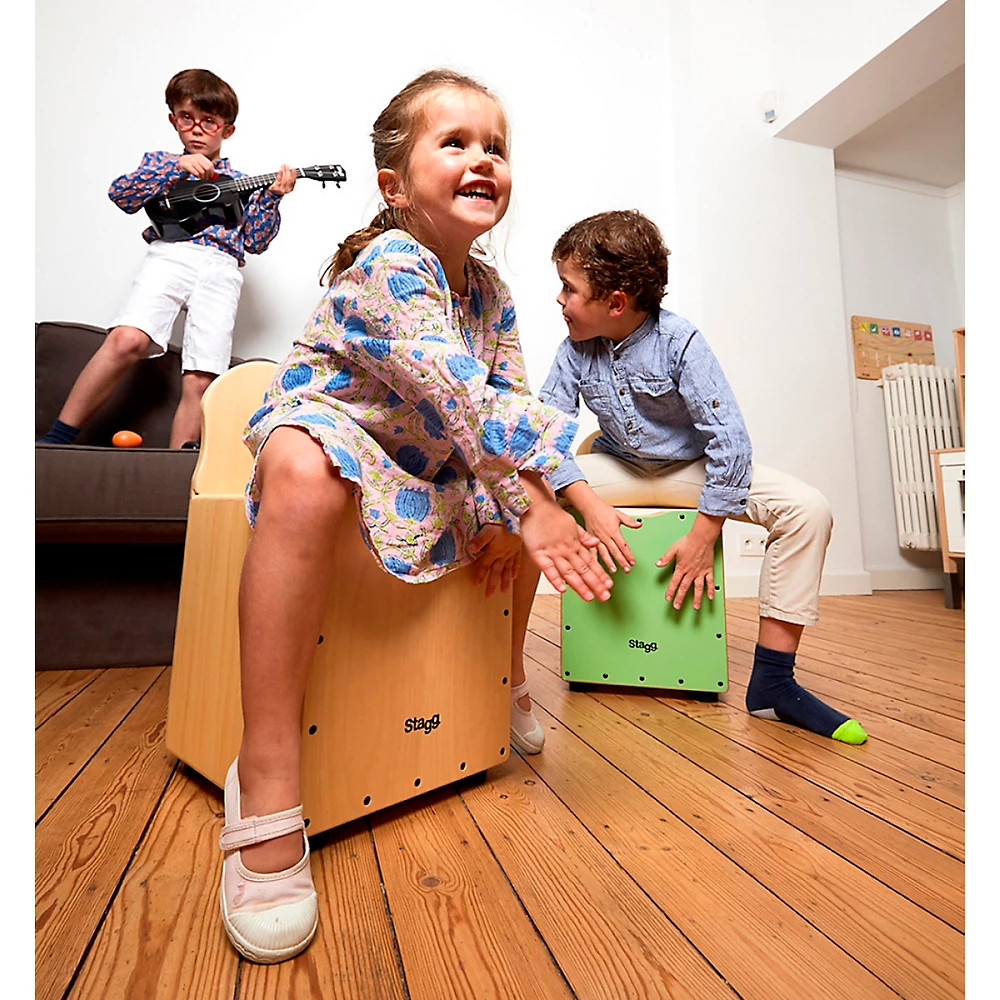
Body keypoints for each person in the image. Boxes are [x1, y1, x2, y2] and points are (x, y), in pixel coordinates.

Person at [217, 69, 613, 964]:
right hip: (340, 435)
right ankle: (267, 775)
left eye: (497, 146)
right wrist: (552, 501)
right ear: (395, 185)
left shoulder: (498, 295)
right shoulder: (392, 262)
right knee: (303, 464)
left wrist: (555, 495)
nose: (483, 158)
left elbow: (504, 403)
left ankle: (502, 678)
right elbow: (460, 390)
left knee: (528, 491)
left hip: (427, 464)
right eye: (456, 142)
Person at [539, 209, 868, 748]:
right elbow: (544, 437)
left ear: (615, 302)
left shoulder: (681, 341)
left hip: (689, 469)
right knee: (516, 490)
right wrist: (587, 506)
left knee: (809, 509)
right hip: (617, 467)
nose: (560, 300)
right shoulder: (573, 349)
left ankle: (774, 683)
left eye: (568, 289)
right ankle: (507, 681)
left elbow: (730, 442)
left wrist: (704, 533)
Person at [37, 68, 297, 449]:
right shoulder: (161, 163)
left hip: (223, 268)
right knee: (127, 339)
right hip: (170, 255)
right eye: (187, 118)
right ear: (173, 120)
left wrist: (273, 197)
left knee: (202, 375)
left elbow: (256, 241)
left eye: (209, 122)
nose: (196, 129)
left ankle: (178, 472)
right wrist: (175, 167)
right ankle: (58, 438)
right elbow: (122, 195)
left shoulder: (242, 182)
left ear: (227, 130)